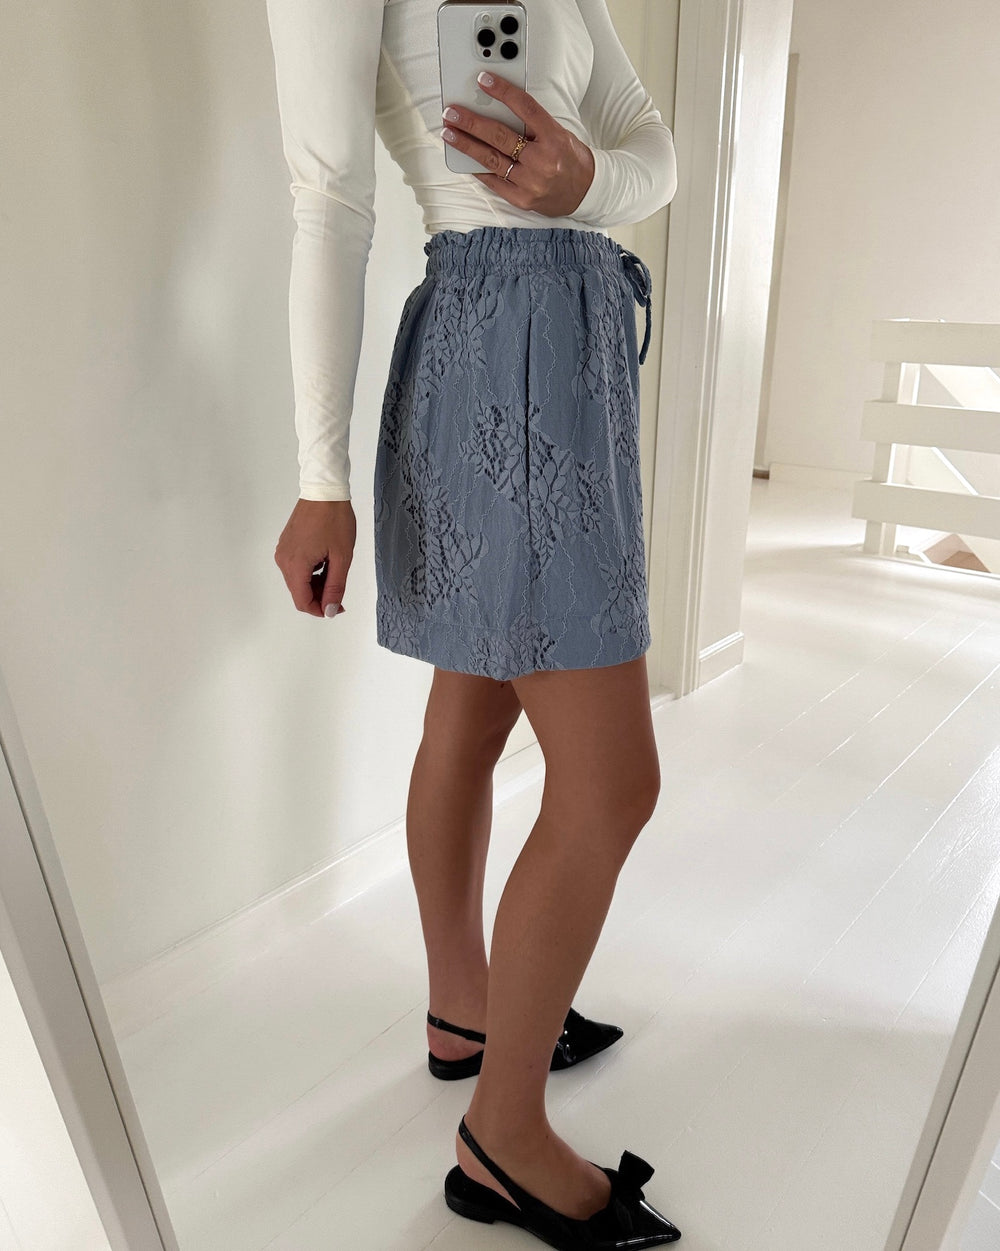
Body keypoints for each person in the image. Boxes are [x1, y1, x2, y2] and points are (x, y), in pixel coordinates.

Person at [265, 0, 681, 1244]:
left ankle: (468, 1015)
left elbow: (651, 145)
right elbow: (329, 201)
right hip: (502, 338)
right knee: (611, 784)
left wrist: (590, 181)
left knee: (476, 704)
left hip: (572, 339)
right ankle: (502, 1139)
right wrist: (320, 479)